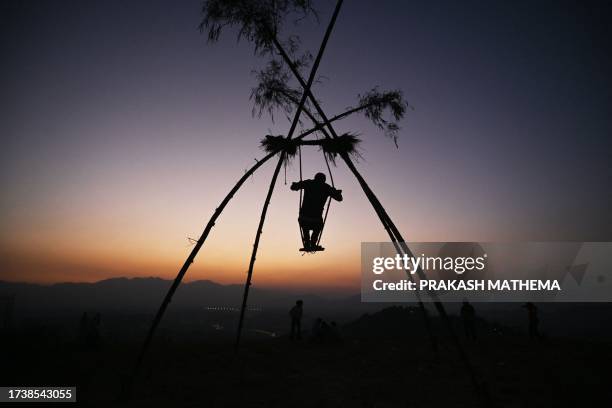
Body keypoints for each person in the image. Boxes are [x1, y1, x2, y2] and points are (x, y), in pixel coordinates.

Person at [291, 172, 343, 250]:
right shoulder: (326, 187)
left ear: (315, 178)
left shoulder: (308, 183)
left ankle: (307, 244)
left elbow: (293, 187)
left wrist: (298, 184)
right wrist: (335, 192)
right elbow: (339, 199)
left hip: (304, 217)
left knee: (305, 227)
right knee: (318, 226)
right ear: (324, 180)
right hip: (316, 219)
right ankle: (312, 243)